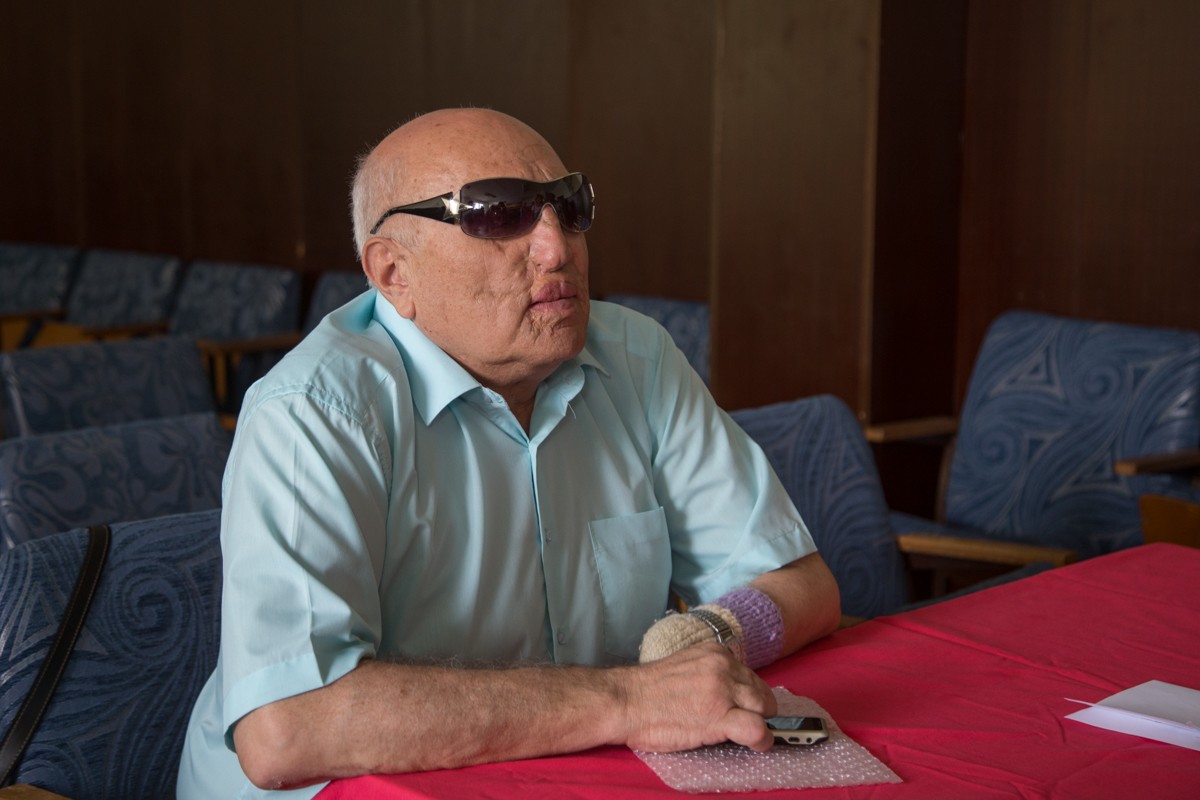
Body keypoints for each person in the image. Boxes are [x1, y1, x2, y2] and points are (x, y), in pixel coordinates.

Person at [177, 107, 840, 798]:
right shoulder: (314, 410)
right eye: (498, 216)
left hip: (566, 770)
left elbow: (801, 583)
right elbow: (287, 730)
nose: (557, 249)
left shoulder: (636, 356)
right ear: (394, 273)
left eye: (569, 208)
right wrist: (630, 700)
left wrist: (710, 635)